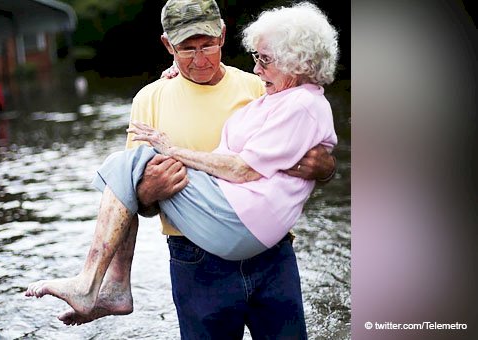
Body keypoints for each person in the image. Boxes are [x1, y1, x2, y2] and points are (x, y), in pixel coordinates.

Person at [26, 1, 339, 338]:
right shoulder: (151, 99)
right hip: (197, 259)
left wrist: (325, 167)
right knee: (127, 167)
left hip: (271, 254)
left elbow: (298, 154)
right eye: (187, 49)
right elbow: (133, 199)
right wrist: (150, 191)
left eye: (207, 45)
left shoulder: (259, 86)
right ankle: (107, 285)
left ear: (222, 36)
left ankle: (106, 284)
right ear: (167, 46)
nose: (200, 59)